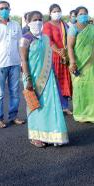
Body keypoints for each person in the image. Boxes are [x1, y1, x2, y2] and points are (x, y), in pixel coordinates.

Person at [19, 11, 69, 148]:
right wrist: (28, 79)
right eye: (34, 20)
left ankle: (52, 134)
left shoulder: (46, 38)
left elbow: (49, 59)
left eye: (40, 19)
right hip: (32, 79)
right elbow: (23, 60)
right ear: (28, 22)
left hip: (48, 78)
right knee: (35, 107)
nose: (38, 22)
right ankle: (35, 136)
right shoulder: (25, 39)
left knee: (49, 107)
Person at [67, 6, 94, 123]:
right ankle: (82, 114)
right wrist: (72, 62)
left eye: (85, 13)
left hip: (92, 63)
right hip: (78, 64)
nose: (83, 15)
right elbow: (70, 47)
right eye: (81, 14)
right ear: (76, 16)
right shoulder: (73, 29)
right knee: (80, 89)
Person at [0, 0, 25, 128]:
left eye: (6, 8)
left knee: (15, 91)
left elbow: (20, 45)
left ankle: (13, 116)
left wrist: (22, 63)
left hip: (14, 63)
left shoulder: (16, 26)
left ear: (10, 10)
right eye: (2, 8)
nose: (4, 10)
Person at [43, 4, 72, 115]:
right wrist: (59, 51)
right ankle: (55, 108)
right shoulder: (47, 26)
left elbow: (70, 39)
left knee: (64, 82)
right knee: (54, 83)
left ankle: (65, 106)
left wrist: (65, 52)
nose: (57, 13)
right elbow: (48, 40)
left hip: (65, 58)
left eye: (58, 11)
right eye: (54, 11)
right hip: (53, 58)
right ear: (50, 13)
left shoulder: (64, 25)